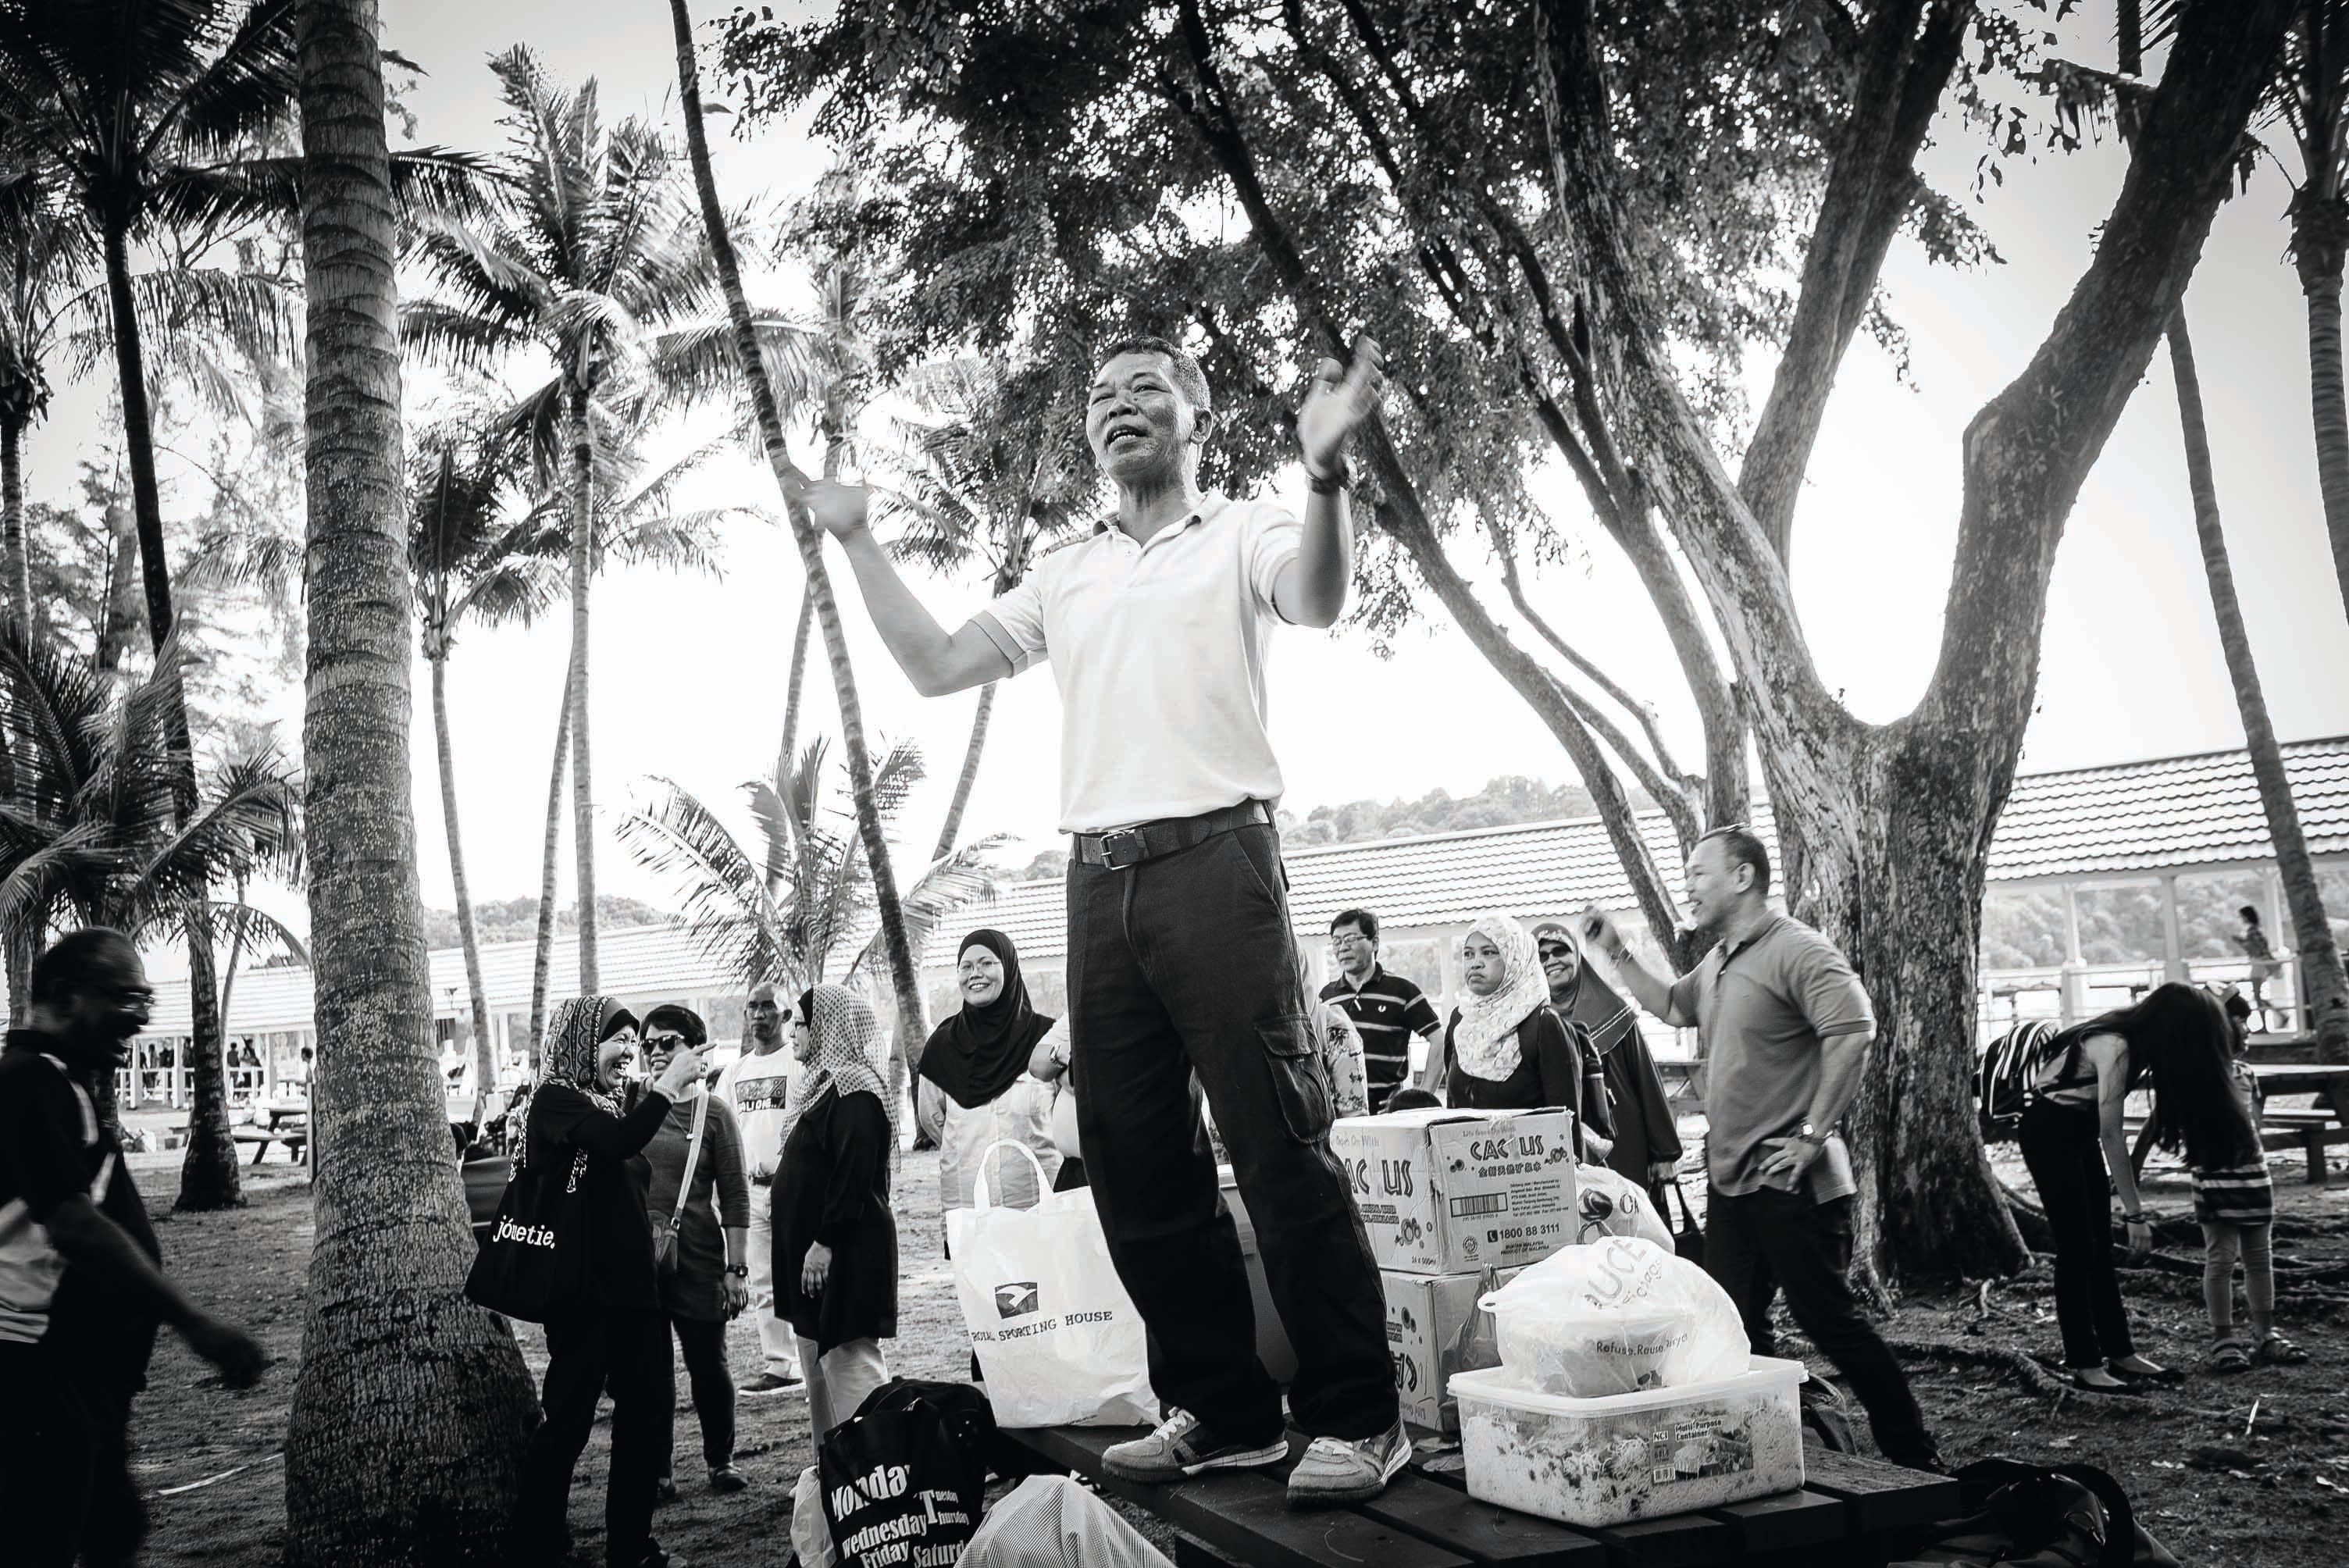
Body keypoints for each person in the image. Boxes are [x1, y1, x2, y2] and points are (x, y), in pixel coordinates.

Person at [810, 331, 1406, 1506]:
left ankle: (1358, 1413)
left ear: (1197, 417)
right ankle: (1225, 1411)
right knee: (1136, 1169)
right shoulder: (1065, 572)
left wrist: (1327, 475)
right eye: (1099, 394)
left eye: (1146, 390)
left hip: (1220, 863)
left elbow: (1321, 598)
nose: (1116, 407)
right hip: (1100, 884)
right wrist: (858, 536)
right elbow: (933, 663)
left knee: (1279, 1146)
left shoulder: (1242, 531)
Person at [1579, 826, 1943, 1470]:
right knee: (1733, 1326)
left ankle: (1917, 1462)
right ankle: (1774, 1453)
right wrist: (1619, 951)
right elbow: (1670, 1005)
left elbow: (1854, 1030)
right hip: (1730, 1184)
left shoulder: (1797, 949)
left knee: (1832, 1323)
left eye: (1698, 873)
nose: (1687, 886)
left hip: (1792, 1182)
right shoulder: (1721, 959)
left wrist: (1813, 1134)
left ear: (1743, 877)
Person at [0, 928, 270, 1568]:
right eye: (125, 999)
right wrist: (194, 1322)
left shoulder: (59, 1082)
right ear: (66, 996)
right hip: (29, 1371)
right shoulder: (28, 1081)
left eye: (146, 1001)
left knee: (112, 1528)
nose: (139, 1019)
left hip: (79, 1377)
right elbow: (73, 1223)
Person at [512, 996, 706, 1568]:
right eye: (616, 1039)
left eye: (631, 1039)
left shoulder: (614, 1105)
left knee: (644, 1419)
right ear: (579, 1044)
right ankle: (538, 1542)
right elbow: (619, 1145)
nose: (628, 1050)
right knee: (569, 1421)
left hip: (633, 1292)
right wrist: (667, 1087)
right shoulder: (556, 1100)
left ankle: (632, 1548)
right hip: (581, 1296)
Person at [638, 1004, 753, 1500]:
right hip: (638, 1262)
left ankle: (720, 1461)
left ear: (697, 1049)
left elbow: (735, 1195)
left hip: (700, 1261)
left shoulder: (715, 1114)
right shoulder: (632, 1106)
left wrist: (737, 1269)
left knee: (709, 1365)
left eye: (670, 1043)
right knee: (649, 1373)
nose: (657, 1052)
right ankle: (657, 1471)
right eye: (650, 1044)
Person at [775, 985, 899, 1438]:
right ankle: (832, 1479)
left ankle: (876, 1472)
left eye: (801, 1023)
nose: (793, 1033)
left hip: (843, 1253)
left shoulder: (855, 1091)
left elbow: (853, 1174)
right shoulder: (825, 1085)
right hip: (813, 1257)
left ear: (827, 1027)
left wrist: (824, 1242)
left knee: (851, 1367)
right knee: (819, 1370)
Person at [918, 931, 1064, 1228]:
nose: (976, 974)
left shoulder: (1047, 1041)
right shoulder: (941, 1048)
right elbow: (935, 1123)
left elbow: (1067, 1118)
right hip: (971, 1214)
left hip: (1039, 1210)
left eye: (987, 963)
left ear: (1009, 968)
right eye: (966, 966)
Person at [1532, 921, 1684, 1205]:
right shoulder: (1531, 1026)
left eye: (1560, 951)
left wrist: (1664, 1153)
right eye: (1542, 956)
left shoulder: (1613, 1013)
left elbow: (1646, 1080)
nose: (1552, 960)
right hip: (1560, 1161)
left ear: (1576, 956)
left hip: (1624, 1148)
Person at [713, 981, 804, 1395]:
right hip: (750, 1191)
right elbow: (720, 1133)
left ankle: (811, 1361)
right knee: (764, 1279)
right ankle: (780, 1365)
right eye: (752, 1007)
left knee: (802, 1275)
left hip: (795, 1188)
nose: (758, 1014)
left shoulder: (800, 1064)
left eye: (769, 1007)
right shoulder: (735, 1073)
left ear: (787, 1016)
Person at [1424, 912, 1587, 1122]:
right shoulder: (1460, 1021)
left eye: (1489, 952)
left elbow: (1566, 1124)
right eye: (1468, 954)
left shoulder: (1544, 1024)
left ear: (1515, 958)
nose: (1476, 963)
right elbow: (1453, 1109)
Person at [1320, 909, 1442, 1113]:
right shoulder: (1326, 997)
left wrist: (1423, 1099)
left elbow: (1439, 1040)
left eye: (1350, 939)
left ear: (1375, 943)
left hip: (1390, 1116)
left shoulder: (1402, 990)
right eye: (1337, 941)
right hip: (1341, 1118)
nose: (1343, 948)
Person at [2236, 906, 2281, 1031]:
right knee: (2257, 996)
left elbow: (2255, 949)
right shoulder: (2256, 931)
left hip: (2259, 965)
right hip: (2261, 964)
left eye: (2241, 916)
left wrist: (2240, 942)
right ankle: (2280, 1015)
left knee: (2257, 996)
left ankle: (2265, 1027)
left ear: (2246, 916)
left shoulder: (2252, 931)